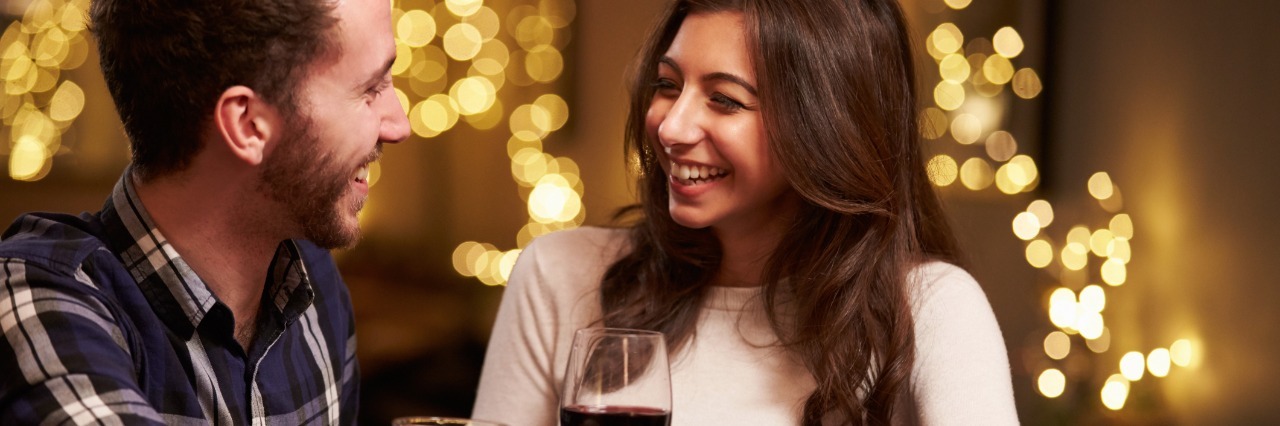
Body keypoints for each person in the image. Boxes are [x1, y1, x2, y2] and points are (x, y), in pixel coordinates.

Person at [473, 0, 1018, 424]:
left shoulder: (930, 309)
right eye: (667, 85)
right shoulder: (559, 273)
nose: (670, 127)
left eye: (725, 100)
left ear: (826, 125)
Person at [0, 0, 410, 423]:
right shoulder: (39, 300)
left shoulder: (317, 284)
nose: (400, 124)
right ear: (248, 125)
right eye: (370, 90)